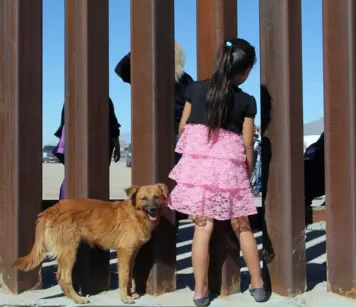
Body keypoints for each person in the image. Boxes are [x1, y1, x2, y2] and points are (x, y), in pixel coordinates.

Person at [167, 39, 266, 305]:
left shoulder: (196, 89)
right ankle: (257, 285)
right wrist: (245, 171)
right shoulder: (246, 101)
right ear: (245, 71)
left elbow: (183, 129)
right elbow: (247, 143)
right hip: (229, 167)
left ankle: (200, 291)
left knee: (202, 227)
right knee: (241, 225)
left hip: (199, 168)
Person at [114, 41, 194, 163]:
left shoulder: (150, 77)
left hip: (158, 133)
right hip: (173, 134)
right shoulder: (185, 80)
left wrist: (140, 50)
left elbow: (121, 69)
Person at [53, 100, 121, 199]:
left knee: (72, 176)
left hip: (77, 143)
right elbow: (113, 125)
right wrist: (117, 147)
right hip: (100, 146)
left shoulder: (72, 98)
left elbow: (64, 123)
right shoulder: (104, 99)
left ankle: (66, 202)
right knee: (97, 178)